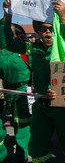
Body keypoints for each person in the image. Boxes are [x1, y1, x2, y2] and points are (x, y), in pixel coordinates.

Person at [2, 0, 65, 162]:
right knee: (38, 149)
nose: (47, 33)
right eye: (43, 29)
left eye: (51, 29)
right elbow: (9, 43)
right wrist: (7, 15)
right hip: (41, 107)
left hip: (64, 107)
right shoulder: (33, 49)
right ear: (37, 32)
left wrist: (63, 18)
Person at [0, 19, 31, 162]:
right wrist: (6, 16)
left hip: (23, 91)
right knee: (14, 121)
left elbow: (36, 70)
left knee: (22, 124)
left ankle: (21, 156)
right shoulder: (1, 53)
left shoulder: (24, 50)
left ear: (14, 35)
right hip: (7, 92)